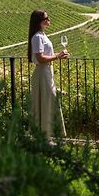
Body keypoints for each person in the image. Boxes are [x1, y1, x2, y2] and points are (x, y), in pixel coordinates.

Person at [28, 9, 69, 138]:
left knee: (48, 102)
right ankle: (45, 136)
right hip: (42, 72)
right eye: (46, 18)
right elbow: (40, 58)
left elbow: (45, 56)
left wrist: (58, 56)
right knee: (46, 102)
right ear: (39, 21)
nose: (48, 19)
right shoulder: (37, 37)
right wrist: (57, 56)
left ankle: (48, 135)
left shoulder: (43, 35)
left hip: (47, 71)